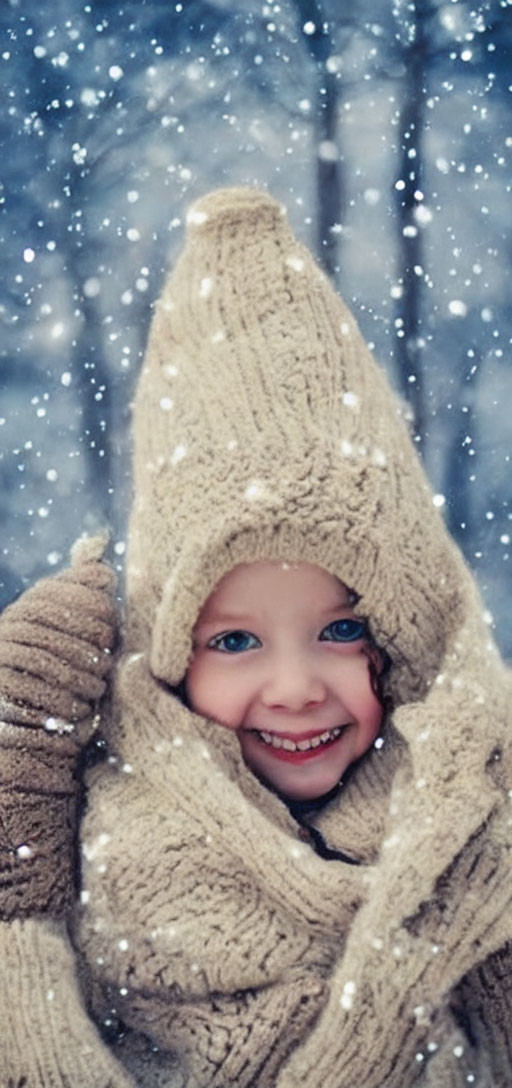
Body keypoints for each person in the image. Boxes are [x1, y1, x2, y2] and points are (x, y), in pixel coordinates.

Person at [1, 186, 511, 1088]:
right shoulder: (102, 850)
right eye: (235, 642)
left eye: (342, 630)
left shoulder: (480, 822)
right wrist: (17, 904)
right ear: (167, 653)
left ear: (405, 635)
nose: (294, 687)